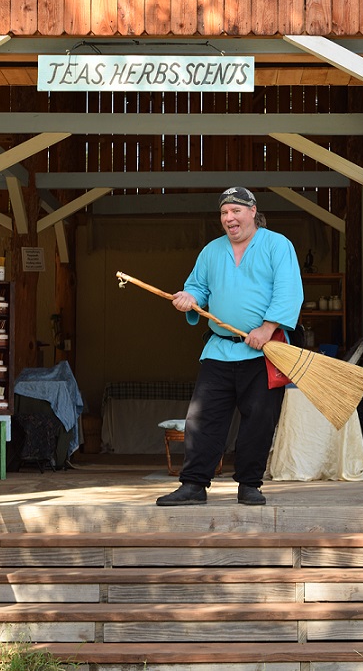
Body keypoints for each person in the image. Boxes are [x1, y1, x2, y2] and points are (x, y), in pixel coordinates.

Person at [156, 187, 304, 507]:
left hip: (265, 351)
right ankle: (194, 485)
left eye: (235, 211)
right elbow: (197, 287)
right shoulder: (211, 251)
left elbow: (289, 290)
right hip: (219, 349)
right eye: (224, 213)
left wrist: (267, 328)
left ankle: (250, 485)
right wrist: (189, 298)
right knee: (203, 419)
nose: (229, 218)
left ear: (252, 211)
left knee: (258, 421)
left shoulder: (277, 245)